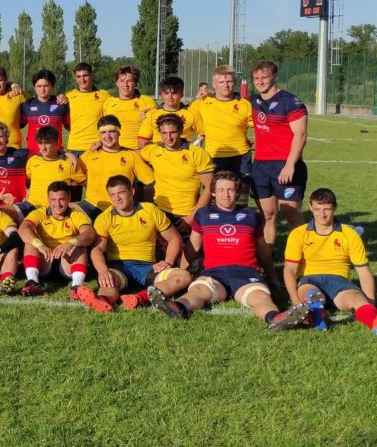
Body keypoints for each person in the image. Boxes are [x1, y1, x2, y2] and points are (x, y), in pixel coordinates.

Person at [148, 171, 312, 331]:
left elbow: (263, 251)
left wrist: (272, 278)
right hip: (214, 274)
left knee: (260, 297)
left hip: (246, 273)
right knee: (198, 291)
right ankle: (177, 308)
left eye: (230, 190)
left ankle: (275, 318)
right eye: (221, 190)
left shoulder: (251, 216)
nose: (226, 195)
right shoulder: (203, 215)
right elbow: (193, 246)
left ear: (238, 192)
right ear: (213, 192)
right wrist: (182, 271)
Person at [283, 188, 377, 335]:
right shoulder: (298, 234)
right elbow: (289, 270)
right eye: (317, 209)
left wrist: (370, 304)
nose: (322, 214)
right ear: (310, 207)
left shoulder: (350, 235)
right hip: (309, 280)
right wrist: (295, 300)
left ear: (335, 207)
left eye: (327, 209)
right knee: (312, 294)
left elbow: (363, 271)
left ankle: (376, 324)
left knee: (357, 299)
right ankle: (316, 315)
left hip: (339, 282)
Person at [76, 175, 189, 312]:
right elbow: (97, 248)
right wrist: (103, 271)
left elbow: (174, 238)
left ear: (132, 192)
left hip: (148, 267)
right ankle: (103, 301)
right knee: (108, 281)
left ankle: (140, 298)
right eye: (112, 195)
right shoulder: (105, 217)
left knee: (183, 276)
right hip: (119, 266)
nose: (117, 198)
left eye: (121, 193)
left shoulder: (150, 210)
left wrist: (168, 262)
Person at [250, 60, 308, 249]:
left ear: (275, 77)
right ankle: (269, 262)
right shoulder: (253, 101)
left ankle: (302, 260)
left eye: (264, 77)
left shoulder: (291, 101)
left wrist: (290, 165)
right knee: (267, 216)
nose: (260, 81)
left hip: (285, 164)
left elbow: (301, 134)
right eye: (256, 78)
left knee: (291, 214)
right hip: (260, 165)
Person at [18, 181, 95, 298]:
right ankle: (33, 282)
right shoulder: (40, 213)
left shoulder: (76, 215)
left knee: (80, 245)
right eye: (53, 200)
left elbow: (89, 234)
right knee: (30, 242)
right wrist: (40, 245)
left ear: (69, 198)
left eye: (61, 199)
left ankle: (77, 287)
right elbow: (23, 229)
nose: (57, 204)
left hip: (67, 261)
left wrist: (70, 243)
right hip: (45, 260)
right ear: (48, 199)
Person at [139, 114, 213, 232]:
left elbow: (210, 187)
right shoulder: (154, 150)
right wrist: (100, 145)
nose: (168, 137)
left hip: (186, 216)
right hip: (159, 212)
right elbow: (130, 154)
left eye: (172, 132)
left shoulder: (197, 153)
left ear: (181, 131)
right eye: (164, 133)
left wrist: (192, 217)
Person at [77, 115, 155, 220]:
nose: (107, 136)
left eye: (112, 131)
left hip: (120, 208)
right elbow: (75, 176)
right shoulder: (90, 154)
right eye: (103, 133)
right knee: (68, 212)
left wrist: (146, 205)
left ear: (119, 132)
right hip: (91, 205)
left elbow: (151, 182)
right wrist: (69, 155)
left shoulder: (131, 155)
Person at [190, 65, 253, 192]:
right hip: (214, 155)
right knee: (214, 194)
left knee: (240, 194)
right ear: (214, 84)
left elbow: (260, 127)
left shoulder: (244, 104)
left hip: (241, 156)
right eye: (221, 82)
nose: (225, 85)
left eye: (229, 81)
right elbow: (182, 117)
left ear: (234, 82)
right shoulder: (201, 103)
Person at [24, 126, 85, 211]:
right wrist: (26, 191)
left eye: (47, 143)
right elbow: (25, 181)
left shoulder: (69, 163)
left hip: (56, 210)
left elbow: (87, 183)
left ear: (56, 142)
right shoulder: (33, 161)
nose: (43, 147)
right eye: (40, 143)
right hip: (31, 206)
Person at [101, 65, 157, 150]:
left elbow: (158, 129)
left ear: (135, 83)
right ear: (117, 83)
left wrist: (147, 120)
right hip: (116, 151)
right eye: (122, 81)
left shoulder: (147, 102)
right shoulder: (109, 103)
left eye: (129, 81)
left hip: (140, 152)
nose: (125, 84)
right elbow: (103, 129)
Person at [63, 62, 110, 157]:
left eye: (85, 76)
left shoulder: (104, 95)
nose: (82, 79)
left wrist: (101, 142)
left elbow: (110, 122)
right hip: (74, 148)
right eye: (78, 76)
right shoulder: (68, 96)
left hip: (97, 147)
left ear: (91, 75)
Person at [137, 76, 196, 148]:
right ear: (161, 94)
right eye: (166, 93)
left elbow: (204, 133)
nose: (170, 97)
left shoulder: (191, 113)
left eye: (174, 93)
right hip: (159, 156)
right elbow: (142, 141)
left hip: (183, 156)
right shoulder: (151, 114)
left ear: (181, 94)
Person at [21, 69, 69, 151]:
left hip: (55, 154)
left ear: (52, 86)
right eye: (39, 86)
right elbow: (17, 125)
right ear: (34, 87)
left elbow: (70, 126)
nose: (42, 89)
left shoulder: (61, 104)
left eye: (46, 86)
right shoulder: (27, 105)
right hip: (33, 153)